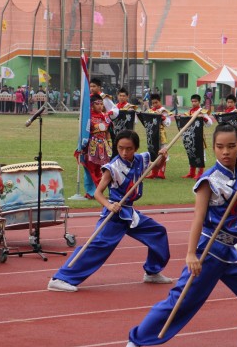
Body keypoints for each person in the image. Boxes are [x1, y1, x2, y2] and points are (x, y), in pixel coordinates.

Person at [121, 124, 237, 347]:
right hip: (209, 250)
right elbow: (198, 217)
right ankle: (133, 343)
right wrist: (190, 254)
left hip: (231, 251)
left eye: (231, 146)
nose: (225, 152)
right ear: (214, 148)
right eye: (220, 147)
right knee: (182, 301)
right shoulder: (208, 180)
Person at [48, 130, 172, 292]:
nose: (124, 152)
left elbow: (156, 167)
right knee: (97, 246)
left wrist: (162, 157)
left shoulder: (141, 159)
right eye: (120, 148)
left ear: (135, 148)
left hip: (129, 212)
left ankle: (152, 271)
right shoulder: (113, 167)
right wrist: (109, 205)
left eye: (129, 149)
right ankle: (61, 278)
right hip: (114, 214)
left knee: (158, 232)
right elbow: (97, 193)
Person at [83, 93, 119, 186]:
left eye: (101, 104)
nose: (100, 106)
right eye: (97, 104)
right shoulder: (88, 117)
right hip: (92, 145)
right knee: (91, 168)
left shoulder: (106, 117)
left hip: (103, 146)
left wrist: (110, 145)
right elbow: (84, 132)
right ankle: (93, 191)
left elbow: (108, 133)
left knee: (101, 168)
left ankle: (99, 190)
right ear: (91, 105)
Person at [179, 94, 212, 179]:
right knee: (191, 153)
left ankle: (200, 173)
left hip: (199, 136)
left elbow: (209, 124)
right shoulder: (189, 112)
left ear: (199, 102)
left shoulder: (202, 111)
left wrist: (204, 118)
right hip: (190, 136)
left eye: (195, 101)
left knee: (201, 154)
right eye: (192, 101)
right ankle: (191, 172)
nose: (194, 103)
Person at [145, 94, 171, 179]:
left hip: (161, 134)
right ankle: (154, 172)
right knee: (152, 152)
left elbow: (168, 123)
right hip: (152, 134)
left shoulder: (163, 111)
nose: (155, 105)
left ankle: (161, 172)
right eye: (153, 103)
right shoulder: (150, 111)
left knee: (163, 152)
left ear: (160, 101)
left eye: (156, 102)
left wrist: (163, 118)